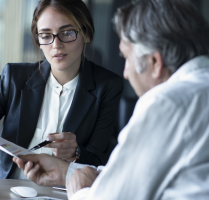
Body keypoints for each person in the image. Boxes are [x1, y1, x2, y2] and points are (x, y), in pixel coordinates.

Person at [13, 0, 209, 199]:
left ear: (154, 62)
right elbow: (134, 177)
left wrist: (80, 192)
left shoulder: (167, 103)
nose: (125, 73)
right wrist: (67, 173)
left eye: (127, 58)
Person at [0, 0, 123, 179]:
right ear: (38, 41)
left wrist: (76, 152)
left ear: (86, 34)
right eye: (46, 35)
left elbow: (100, 161)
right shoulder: (14, 78)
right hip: (3, 187)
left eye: (67, 33)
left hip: (63, 192)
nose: (56, 45)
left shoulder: (107, 86)